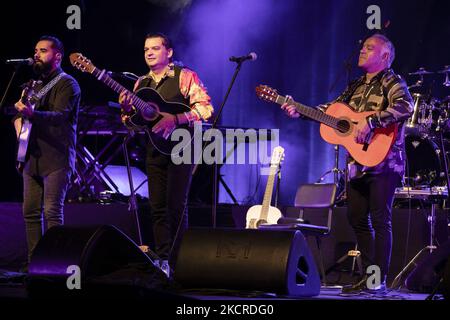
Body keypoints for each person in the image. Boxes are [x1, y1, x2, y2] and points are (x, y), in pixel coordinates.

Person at [282, 34, 413, 293]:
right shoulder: (354, 86)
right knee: (356, 218)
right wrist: (300, 110)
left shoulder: (392, 80)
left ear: (385, 56)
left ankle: (378, 280)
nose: (362, 51)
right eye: (362, 47)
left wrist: (372, 121)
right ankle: (367, 277)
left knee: (380, 220)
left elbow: (405, 106)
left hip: (385, 162)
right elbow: (332, 111)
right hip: (356, 163)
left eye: (369, 48)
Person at [119, 32, 213, 277]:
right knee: (157, 206)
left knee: (175, 205)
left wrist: (177, 118)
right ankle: (162, 260)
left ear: (168, 52)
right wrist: (126, 110)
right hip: (155, 149)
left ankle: (180, 260)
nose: (149, 52)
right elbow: (133, 124)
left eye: (155, 48)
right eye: (146, 49)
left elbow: (206, 108)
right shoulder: (141, 83)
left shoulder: (185, 76)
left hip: (184, 146)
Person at [14, 35, 81, 269]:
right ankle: (35, 264)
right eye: (36, 50)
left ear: (57, 56)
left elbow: (60, 117)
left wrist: (32, 115)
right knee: (30, 212)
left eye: (43, 51)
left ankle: (56, 264)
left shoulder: (67, 83)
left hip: (57, 157)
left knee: (52, 212)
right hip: (32, 156)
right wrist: (19, 123)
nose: (37, 54)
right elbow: (19, 116)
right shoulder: (33, 85)